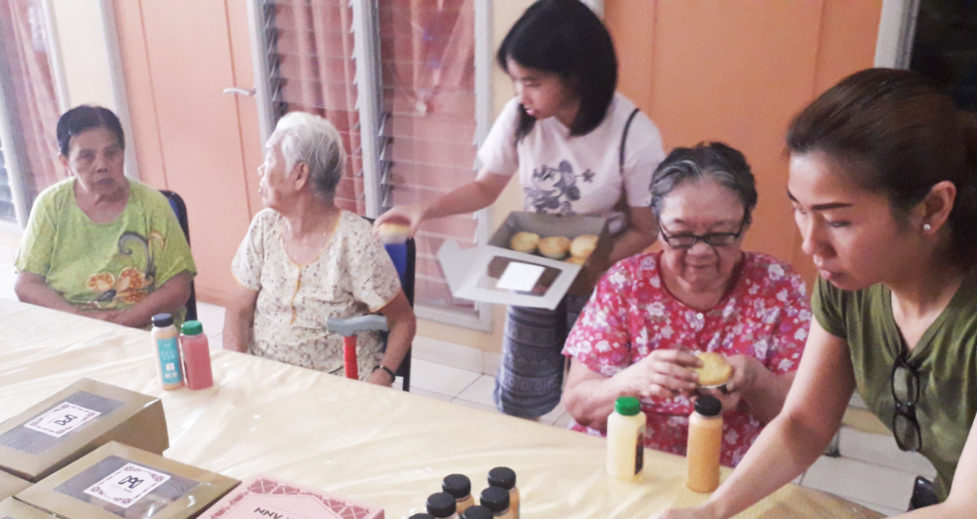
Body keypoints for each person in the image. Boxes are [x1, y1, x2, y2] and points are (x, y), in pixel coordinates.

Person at [633, 68, 977, 519]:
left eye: (837, 221)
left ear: (933, 209)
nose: (809, 243)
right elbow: (804, 424)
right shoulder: (853, 285)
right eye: (799, 209)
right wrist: (714, 511)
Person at [374, 0, 664, 418]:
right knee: (521, 391)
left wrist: (589, 265)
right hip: (535, 264)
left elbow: (645, 228)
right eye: (515, 81)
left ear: (577, 75)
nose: (519, 94)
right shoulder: (521, 116)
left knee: (597, 397)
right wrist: (423, 209)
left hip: (601, 274)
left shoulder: (634, 136)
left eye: (532, 82)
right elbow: (485, 188)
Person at [562, 144, 810, 465]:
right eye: (680, 234)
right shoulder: (625, 284)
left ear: (745, 224)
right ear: (658, 227)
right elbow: (580, 405)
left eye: (721, 234)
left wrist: (756, 381)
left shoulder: (778, 286)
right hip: (625, 460)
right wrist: (633, 380)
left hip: (728, 473)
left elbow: (801, 418)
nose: (700, 252)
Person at [223, 112, 415, 387]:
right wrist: (237, 369)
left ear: (299, 175)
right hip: (264, 379)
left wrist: (383, 374)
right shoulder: (264, 226)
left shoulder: (355, 241)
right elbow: (238, 309)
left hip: (336, 384)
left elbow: (403, 320)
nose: (260, 170)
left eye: (269, 160)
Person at [14, 105, 196, 326]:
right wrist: (80, 318)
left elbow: (177, 288)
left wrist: (121, 324)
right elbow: (27, 284)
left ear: (123, 153)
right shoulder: (51, 205)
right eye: (86, 157)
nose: (102, 166)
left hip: (143, 328)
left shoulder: (152, 206)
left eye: (111, 153)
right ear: (66, 163)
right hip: (70, 326)